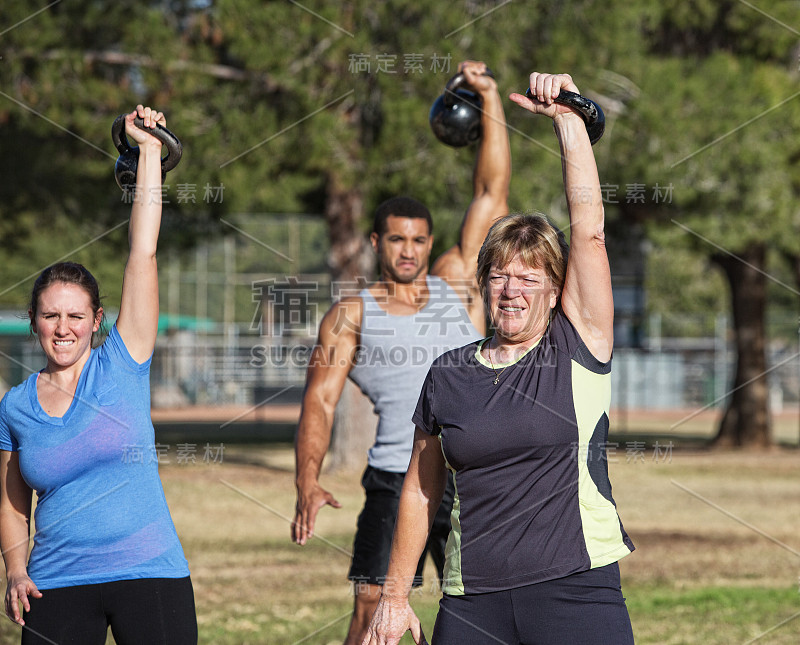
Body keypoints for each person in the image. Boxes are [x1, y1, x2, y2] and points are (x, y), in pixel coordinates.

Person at [362, 72, 635, 645]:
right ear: (482, 284)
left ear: (556, 288)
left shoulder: (576, 346)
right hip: (473, 598)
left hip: (576, 590)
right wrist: (393, 595)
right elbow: (419, 488)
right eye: (499, 275)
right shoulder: (449, 374)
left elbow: (587, 231)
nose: (511, 289)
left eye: (528, 277)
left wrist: (568, 121)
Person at [291, 60, 511, 645]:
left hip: (470, 472)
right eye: (396, 238)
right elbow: (319, 401)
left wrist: (489, 97)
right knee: (371, 609)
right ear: (375, 242)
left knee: (487, 610)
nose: (408, 250)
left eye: (418, 239)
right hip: (396, 476)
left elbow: (491, 191)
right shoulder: (351, 314)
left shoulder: (458, 283)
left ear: (430, 243)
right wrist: (306, 482)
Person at [0, 106, 197, 644]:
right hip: (56, 584)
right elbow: (12, 505)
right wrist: (16, 570)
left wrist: (150, 149)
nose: (63, 329)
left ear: (96, 323)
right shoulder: (14, 406)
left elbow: (143, 251)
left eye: (75, 317)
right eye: (50, 316)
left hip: (150, 573)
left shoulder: (122, 362)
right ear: (35, 322)